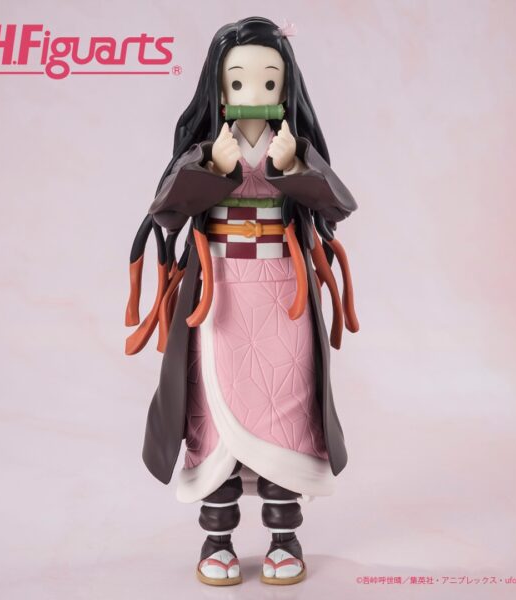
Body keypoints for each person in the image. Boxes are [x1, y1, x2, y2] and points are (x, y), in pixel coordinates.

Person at [124, 16, 359, 586]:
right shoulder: (207, 150)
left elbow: (336, 206)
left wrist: (293, 167)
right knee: (213, 413)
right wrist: (214, 170)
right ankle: (218, 537)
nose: (254, 92)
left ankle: (284, 536)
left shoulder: (292, 147)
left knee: (288, 411)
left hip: (284, 294)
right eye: (238, 81)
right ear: (219, 88)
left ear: (286, 88)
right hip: (219, 293)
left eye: (269, 81)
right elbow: (166, 214)